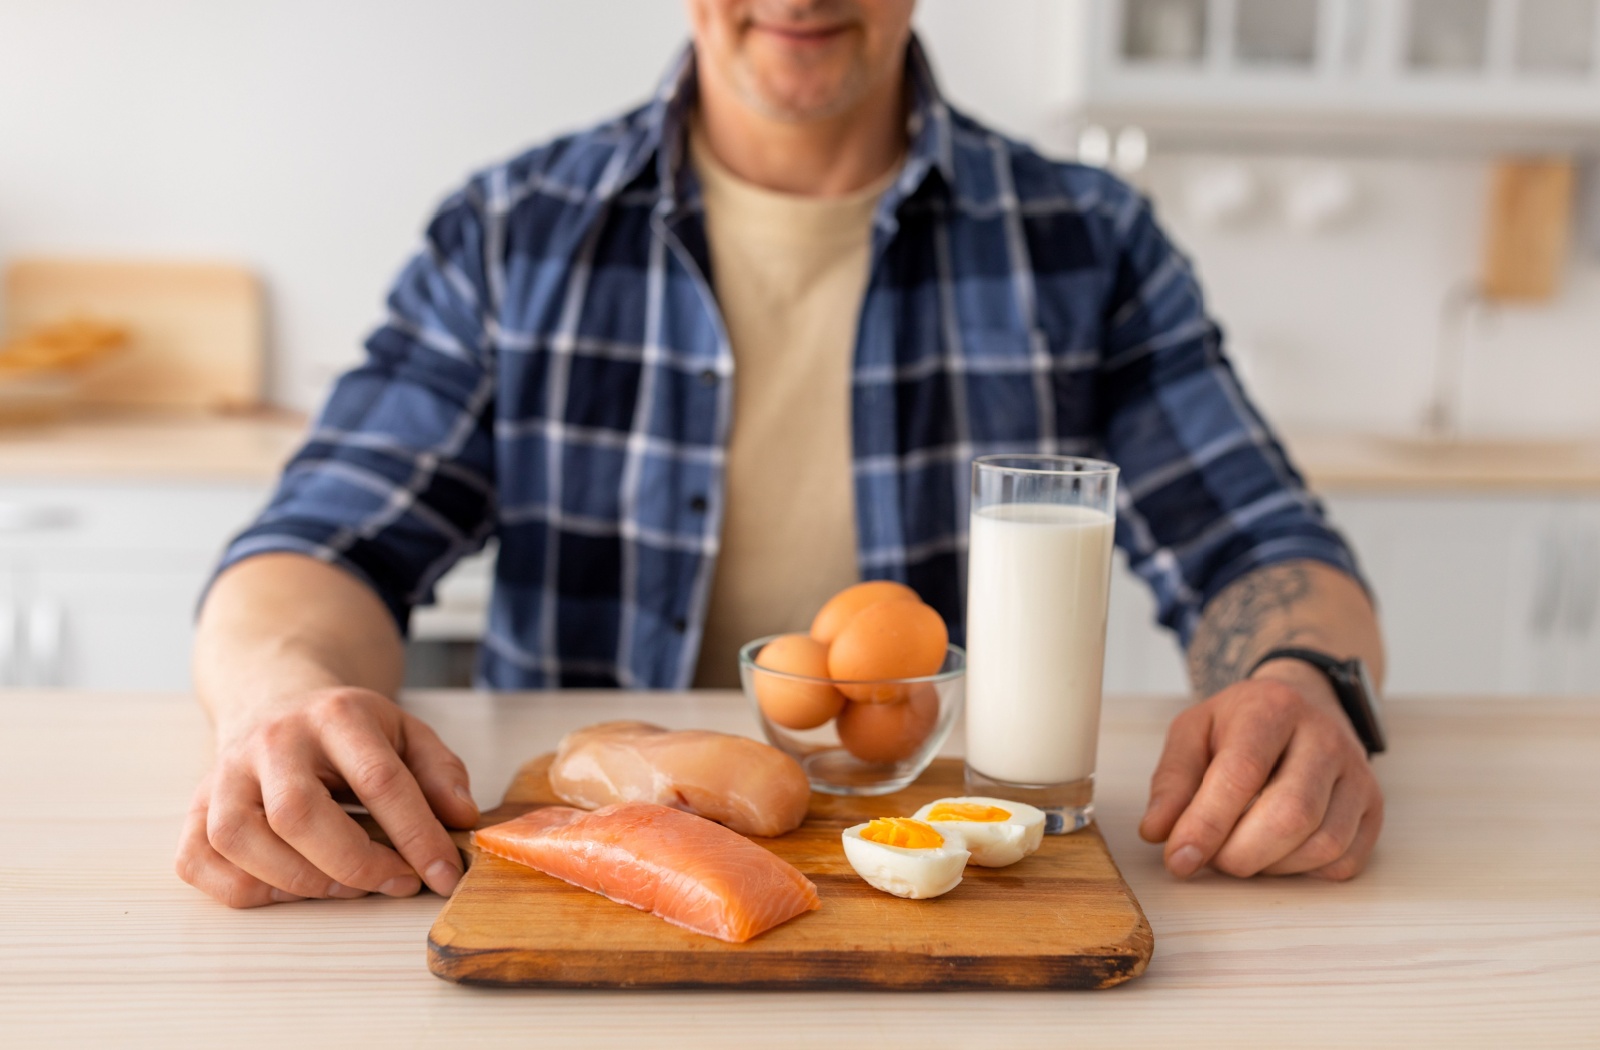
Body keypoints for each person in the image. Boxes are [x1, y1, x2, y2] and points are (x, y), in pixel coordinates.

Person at [177, 0, 1386, 909]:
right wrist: (281, 699)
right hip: (579, 895)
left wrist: (1301, 685)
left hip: (952, 891)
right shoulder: (514, 233)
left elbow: (1264, 544)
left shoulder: (1085, 239)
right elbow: (320, 540)